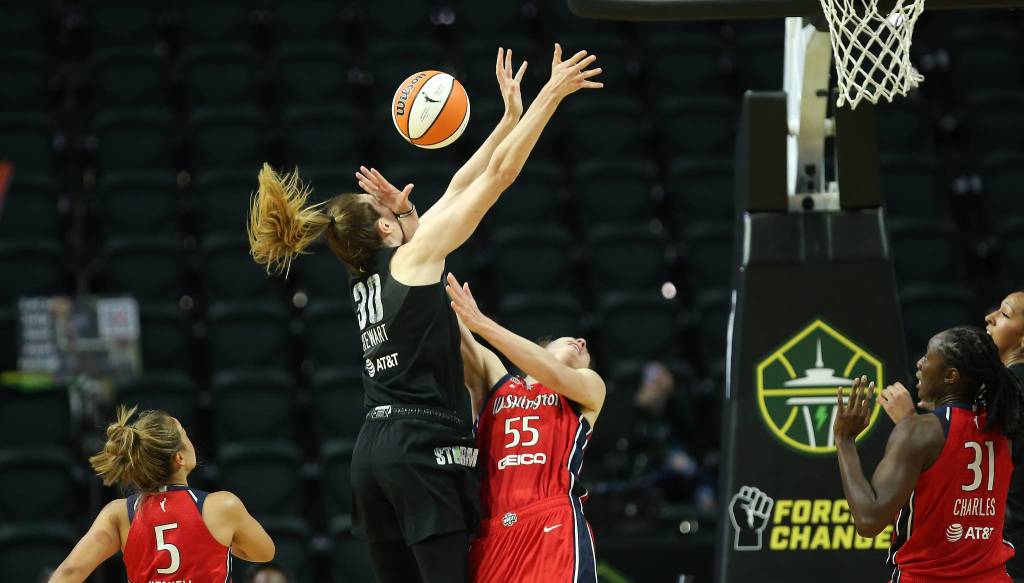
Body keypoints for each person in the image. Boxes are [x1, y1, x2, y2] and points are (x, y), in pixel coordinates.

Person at [247, 45, 602, 583]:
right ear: (386, 231)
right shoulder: (413, 257)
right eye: (391, 210)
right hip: (423, 449)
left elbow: (458, 187)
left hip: (372, 453)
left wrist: (507, 117)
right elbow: (497, 179)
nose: (403, 204)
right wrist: (549, 95)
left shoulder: (364, 272)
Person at [445, 273, 606, 583]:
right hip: (494, 532)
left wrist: (483, 324)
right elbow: (450, 324)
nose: (581, 342)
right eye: (569, 339)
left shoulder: (589, 385)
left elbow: (556, 375)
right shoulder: (497, 381)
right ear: (541, 346)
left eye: (587, 352)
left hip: (552, 521)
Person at [834, 326, 1024, 582]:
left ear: (951, 376)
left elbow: (869, 521)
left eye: (928, 357)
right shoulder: (1004, 426)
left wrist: (844, 441)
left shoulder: (920, 432)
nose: (920, 363)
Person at [880, 291, 1024, 581]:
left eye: (1005, 314)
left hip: (1003, 552)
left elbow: (958, 462)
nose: (990, 317)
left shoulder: (1010, 394)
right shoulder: (1002, 390)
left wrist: (908, 423)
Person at [47, 406, 274, 583]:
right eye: (185, 435)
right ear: (180, 458)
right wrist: (217, 541)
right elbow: (264, 552)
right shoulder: (223, 506)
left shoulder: (118, 514)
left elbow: (70, 572)